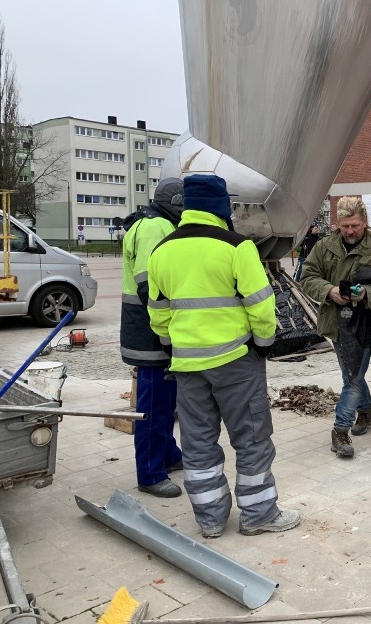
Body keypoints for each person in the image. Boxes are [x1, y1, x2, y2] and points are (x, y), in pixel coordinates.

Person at [147, 174, 300, 538]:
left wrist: (174, 346)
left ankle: (211, 520)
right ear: (220, 206)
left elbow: (158, 313)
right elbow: (262, 309)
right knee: (251, 439)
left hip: (187, 366)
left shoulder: (163, 250)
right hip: (236, 362)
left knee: (198, 444)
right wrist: (264, 345)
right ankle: (258, 514)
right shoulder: (237, 247)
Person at [300, 196, 371, 457]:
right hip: (335, 321)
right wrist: (328, 290)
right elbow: (307, 276)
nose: (350, 231)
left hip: (366, 322)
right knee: (350, 373)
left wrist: (366, 292)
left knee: (353, 378)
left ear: (365, 222)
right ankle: (365, 412)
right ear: (338, 224)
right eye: (345, 226)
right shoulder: (324, 246)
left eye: (355, 225)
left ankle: (340, 430)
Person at [120, 177, 185, 499]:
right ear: (176, 203)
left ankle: (168, 454)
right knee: (154, 404)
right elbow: (150, 284)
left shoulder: (157, 223)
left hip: (153, 327)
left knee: (166, 399)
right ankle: (149, 472)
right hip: (149, 330)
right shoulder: (153, 228)